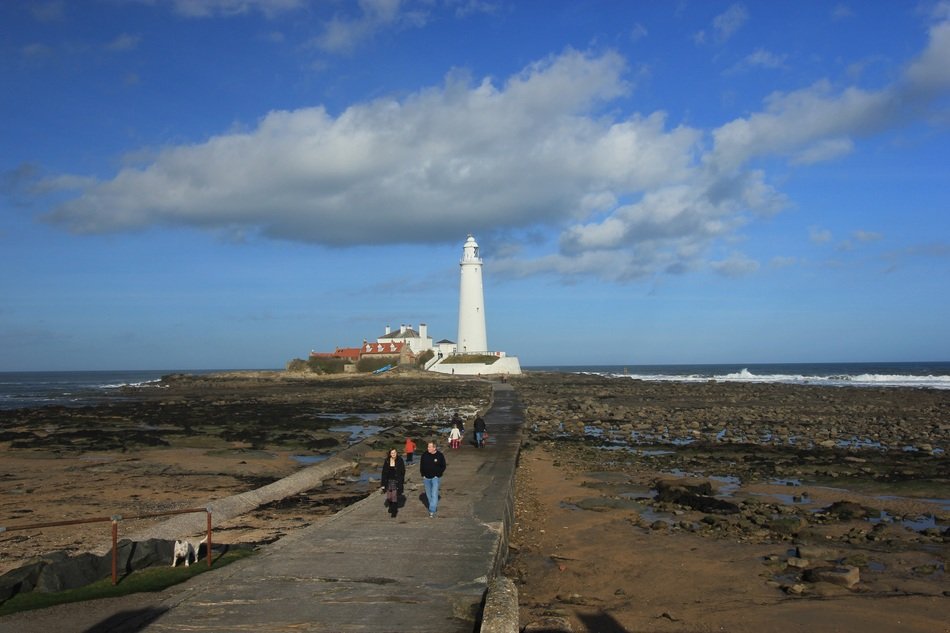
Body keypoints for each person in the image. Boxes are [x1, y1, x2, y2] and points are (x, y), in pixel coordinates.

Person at [419, 441, 446, 518]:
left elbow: (443, 466)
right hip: (426, 478)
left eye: (430, 447)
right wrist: (423, 475)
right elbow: (421, 465)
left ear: (434, 448)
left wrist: (437, 475)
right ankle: (432, 506)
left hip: (435, 478)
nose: (428, 448)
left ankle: (432, 510)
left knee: (434, 493)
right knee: (428, 495)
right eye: (428, 447)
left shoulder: (440, 455)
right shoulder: (424, 455)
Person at [380, 448, 405, 518]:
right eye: (392, 453)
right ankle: (391, 507)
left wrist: (401, 480)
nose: (393, 454)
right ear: (390, 454)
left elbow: (403, 471)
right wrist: (382, 484)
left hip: (396, 481)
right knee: (389, 496)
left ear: (396, 453)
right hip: (388, 481)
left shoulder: (400, 460)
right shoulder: (387, 461)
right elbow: (384, 473)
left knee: (394, 496)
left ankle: (394, 511)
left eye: (394, 453)